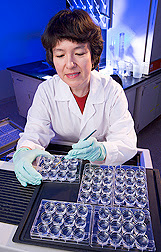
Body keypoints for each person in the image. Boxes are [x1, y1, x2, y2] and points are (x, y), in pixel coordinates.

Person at [13, 9, 137, 187]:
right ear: (52, 58)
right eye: (60, 55)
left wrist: (102, 150)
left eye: (79, 53)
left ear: (93, 56)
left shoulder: (112, 90)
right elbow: (34, 133)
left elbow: (126, 141)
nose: (70, 64)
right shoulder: (47, 91)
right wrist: (24, 152)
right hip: (57, 163)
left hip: (98, 168)